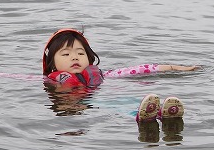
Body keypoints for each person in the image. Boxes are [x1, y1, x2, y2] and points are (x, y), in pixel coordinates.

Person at [41, 28, 198, 124]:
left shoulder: (105, 75)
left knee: (125, 100)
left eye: (80, 53)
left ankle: (161, 113)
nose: (74, 57)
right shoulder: (48, 80)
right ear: (52, 64)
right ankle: (143, 116)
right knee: (116, 105)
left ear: (89, 59)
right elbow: (19, 78)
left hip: (100, 97)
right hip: (92, 103)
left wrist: (175, 68)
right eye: (66, 54)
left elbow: (141, 69)